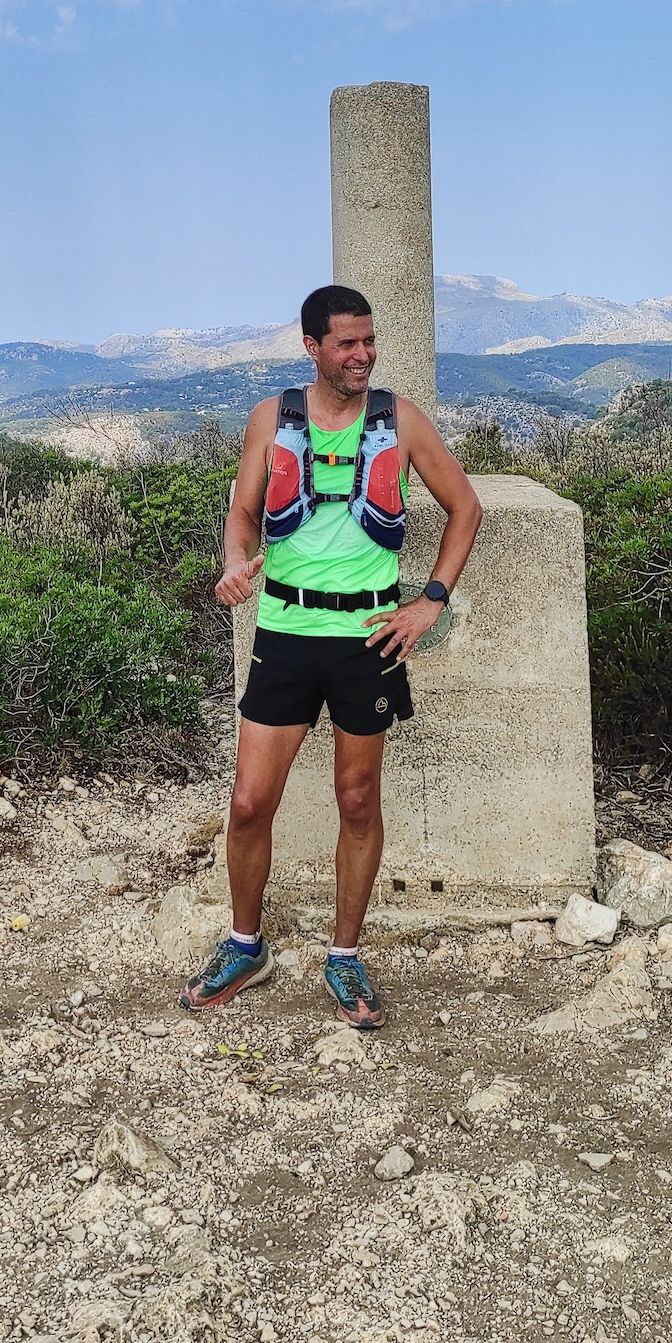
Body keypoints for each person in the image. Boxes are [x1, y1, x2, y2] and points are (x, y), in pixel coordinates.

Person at [180, 284, 483, 1030]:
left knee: (356, 799)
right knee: (250, 803)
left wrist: (430, 601)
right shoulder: (272, 420)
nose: (363, 355)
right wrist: (234, 561)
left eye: (368, 341)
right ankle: (245, 944)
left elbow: (465, 506)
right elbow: (244, 513)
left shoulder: (400, 421)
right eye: (347, 343)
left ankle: (344, 956)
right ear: (312, 346)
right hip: (283, 633)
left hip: (366, 640)